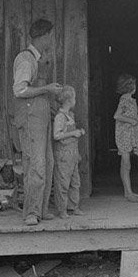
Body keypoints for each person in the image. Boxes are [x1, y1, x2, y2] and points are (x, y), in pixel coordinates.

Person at [12, 18, 62, 226]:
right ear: (43, 36)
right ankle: (31, 213)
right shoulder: (26, 59)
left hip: (42, 119)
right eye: (50, 35)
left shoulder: (39, 59)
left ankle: (41, 209)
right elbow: (19, 90)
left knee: (48, 164)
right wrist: (47, 89)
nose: (51, 39)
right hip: (31, 120)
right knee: (36, 165)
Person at [52, 85, 85, 218]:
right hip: (63, 154)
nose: (75, 100)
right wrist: (73, 133)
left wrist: (77, 132)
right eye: (74, 98)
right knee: (63, 183)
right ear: (68, 101)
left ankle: (73, 206)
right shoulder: (60, 117)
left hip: (72, 154)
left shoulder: (70, 115)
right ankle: (62, 210)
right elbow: (56, 135)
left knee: (75, 181)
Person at [113, 73, 138, 203]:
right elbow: (117, 116)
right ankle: (128, 193)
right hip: (124, 137)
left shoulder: (130, 100)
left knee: (126, 164)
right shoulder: (125, 100)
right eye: (134, 84)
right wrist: (132, 121)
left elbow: (129, 117)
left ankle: (128, 192)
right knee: (126, 164)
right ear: (129, 86)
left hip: (128, 135)